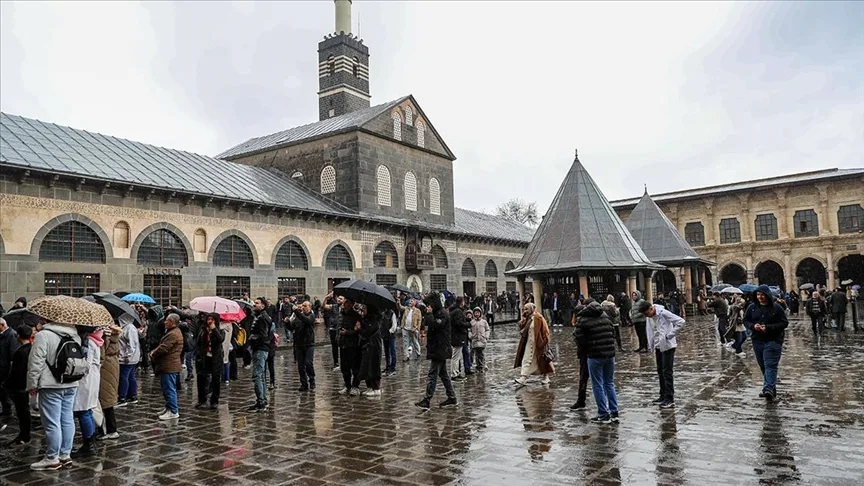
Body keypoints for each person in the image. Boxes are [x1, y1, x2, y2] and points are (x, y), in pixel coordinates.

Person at [28, 313, 84, 470]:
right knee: (67, 419)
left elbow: (35, 363)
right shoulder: (75, 336)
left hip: (51, 384)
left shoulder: (43, 335)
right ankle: (65, 455)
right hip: (71, 383)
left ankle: (52, 457)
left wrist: (32, 386)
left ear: (48, 319)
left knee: (52, 422)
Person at [574, 301, 619, 424]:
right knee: (609, 383)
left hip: (595, 355)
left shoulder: (582, 320)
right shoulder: (604, 315)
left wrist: (588, 348)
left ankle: (603, 414)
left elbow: (580, 340)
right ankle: (614, 411)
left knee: (597, 384)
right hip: (610, 354)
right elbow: (613, 332)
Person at [743, 285, 789, 402]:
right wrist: (753, 326)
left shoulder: (777, 308)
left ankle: (768, 388)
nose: (760, 297)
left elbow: (784, 323)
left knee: (770, 365)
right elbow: (746, 321)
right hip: (757, 340)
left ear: (768, 295)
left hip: (773, 340)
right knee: (763, 365)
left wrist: (768, 328)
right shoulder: (752, 308)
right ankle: (771, 390)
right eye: (758, 295)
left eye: (763, 295)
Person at [639, 300, 685, 409]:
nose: (647, 316)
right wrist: (651, 344)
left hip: (668, 345)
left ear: (651, 308)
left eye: (647, 313)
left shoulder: (663, 313)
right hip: (658, 346)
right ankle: (662, 395)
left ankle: (670, 397)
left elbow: (681, 322)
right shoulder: (649, 318)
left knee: (667, 371)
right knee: (660, 371)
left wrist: (669, 335)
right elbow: (650, 331)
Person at [415, 292, 457, 409]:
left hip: (440, 349)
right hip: (437, 348)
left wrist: (429, 315)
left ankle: (427, 399)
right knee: (443, 374)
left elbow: (435, 325)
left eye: (429, 305)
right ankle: (452, 397)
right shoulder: (436, 313)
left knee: (433, 374)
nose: (427, 307)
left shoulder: (442, 314)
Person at [71, 329, 103, 458]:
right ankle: (90, 442)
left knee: (84, 411)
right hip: (91, 380)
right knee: (87, 410)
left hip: (86, 381)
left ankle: (88, 444)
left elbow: (86, 364)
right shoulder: (94, 341)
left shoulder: (88, 342)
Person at [149, 314, 183, 420]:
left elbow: (164, 348)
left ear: (172, 322)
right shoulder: (173, 332)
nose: (164, 322)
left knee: (169, 389)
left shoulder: (173, 334)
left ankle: (173, 411)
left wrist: (153, 353)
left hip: (170, 365)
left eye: (167, 320)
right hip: (169, 364)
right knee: (166, 388)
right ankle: (169, 407)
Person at [513, 303, 555, 386]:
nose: (525, 311)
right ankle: (523, 377)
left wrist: (544, 342)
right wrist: (523, 318)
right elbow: (521, 327)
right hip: (529, 343)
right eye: (524, 309)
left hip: (538, 343)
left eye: (527, 309)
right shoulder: (528, 318)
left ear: (532, 309)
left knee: (542, 361)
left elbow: (545, 331)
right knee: (526, 359)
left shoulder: (539, 318)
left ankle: (546, 377)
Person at [5, 325, 32, 446]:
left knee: (22, 412)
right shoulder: (32, 348)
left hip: (20, 386)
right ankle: (25, 434)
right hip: (28, 384)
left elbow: (16, 371)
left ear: (18, 336)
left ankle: (24, 435)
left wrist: (7, 384)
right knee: (24, 411)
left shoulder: (20, 352)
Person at [96, 323, 121, 440]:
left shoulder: (105, 338)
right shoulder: (115, 337)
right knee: (108, 400)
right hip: (112, 366)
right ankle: (111, 429)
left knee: (104, 401)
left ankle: (106, 430)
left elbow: (101, 355)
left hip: (105, 368)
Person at [194, 313, 224, 410]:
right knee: (201, 378)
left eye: (212, 319)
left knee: (216, 380)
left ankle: (214, 400)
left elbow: (220, 339)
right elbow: (198, 342)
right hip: (204, 358)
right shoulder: (203, 330)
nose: (210, 321)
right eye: (208, 319)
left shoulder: (220, 330)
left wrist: (214, 329)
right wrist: (198, 353)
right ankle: (202, 400)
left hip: (215, 359)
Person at [248, 297, 273, 411]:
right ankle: (262, 400)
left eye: (257, 303)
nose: (254, 304)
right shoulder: (259, 316)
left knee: (257, 375)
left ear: (263, 306)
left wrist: (252, 339)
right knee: (261, 375)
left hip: (260, 348)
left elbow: (263, 335)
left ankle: (261, 402)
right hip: (260, 348)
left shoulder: (263, 318)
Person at [289, 301, 316, 392]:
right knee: (300, 366)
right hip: (299, 344)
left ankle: (312, 381)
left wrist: (296, 311)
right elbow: (292, 327)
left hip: (309, 344)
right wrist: (287, 323)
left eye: (305, 306)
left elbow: (306, 320)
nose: (303, 307)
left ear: (310, 307)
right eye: (302, 306)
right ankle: (304, 384)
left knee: (308, 363)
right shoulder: (298, 317)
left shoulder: (311, 316)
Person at [338, 298, 362, 396]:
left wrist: (347, 332)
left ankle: (355, 386)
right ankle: (347, 385)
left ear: (352, 304)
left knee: (355, 367)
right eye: (344, 302)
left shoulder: (356, 316)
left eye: (347, 302)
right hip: (343, 344)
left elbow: (358, 330)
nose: (344, 304)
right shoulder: (342, 314)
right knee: (344, 367)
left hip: (353, 345)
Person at [117, 313, 140, 407]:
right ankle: (132, 395)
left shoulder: (129, 328)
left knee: (124, 377)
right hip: (130, 357)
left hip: (127, 358)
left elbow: (132, 344)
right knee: (130, 376)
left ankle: (123, 397)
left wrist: (128, 355)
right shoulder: (127, 327)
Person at [0, 317, 20, 418]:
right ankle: (6, 410)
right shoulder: (3, 335)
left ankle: (13, 410)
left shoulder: (11, 335)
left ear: (2, 325)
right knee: (2, 391)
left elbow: (14, 354)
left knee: (9, 392)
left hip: (7, 368)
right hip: (2, 366)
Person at [449, 298, 470, 380]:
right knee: (456, 357)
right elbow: (458, 323)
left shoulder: (456, 311)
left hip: (456, 336)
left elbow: (460, 320)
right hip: (457, 336)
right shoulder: (458, 311)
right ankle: (454, 374)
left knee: (457, 356)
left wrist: (467, 319)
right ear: (462, 303)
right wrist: (468, 324)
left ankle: (456, 372)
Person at [322, 293, 342, 371]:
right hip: (333, 328)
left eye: (341, 299)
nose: (339, 299)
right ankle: (336, 362)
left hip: (341, 329)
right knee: (334, 347)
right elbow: (324, 306)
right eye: (338, 298)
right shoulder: (334, 306)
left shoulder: (345, 308)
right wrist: (326, 298)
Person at [470, 308, 490, 372]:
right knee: (476, 354)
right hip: (475, 340)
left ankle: (482, 365)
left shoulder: (484, 322)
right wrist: (470, 336)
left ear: (480, 313)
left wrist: (486, 336)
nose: (477, 314)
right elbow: (469, 330)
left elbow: (487, 329)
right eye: (475, 313)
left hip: (482, 340)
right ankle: (478, 365)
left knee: (481, 353)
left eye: (478, 313)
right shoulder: (472, 322)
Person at [382, 307, 398, 376]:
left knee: (392, 351)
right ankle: (388, 366)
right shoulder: (383, 313)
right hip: (385, 335)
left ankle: (393, 368)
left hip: (391, 336)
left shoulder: (392, 313)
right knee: (387, 352)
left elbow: (394, 325)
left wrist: (389, 331)